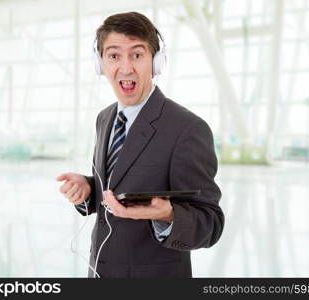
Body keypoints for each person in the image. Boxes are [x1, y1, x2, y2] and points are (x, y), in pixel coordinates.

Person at [57, 11, 224, 278]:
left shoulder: (187, 129)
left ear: (156, 63)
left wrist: (168, 215)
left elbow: (211, 224)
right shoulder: (105, 118)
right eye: (113, 56)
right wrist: (88, 188)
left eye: (137, 55)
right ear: (100, 64)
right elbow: (117, 183)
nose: (125, 68)